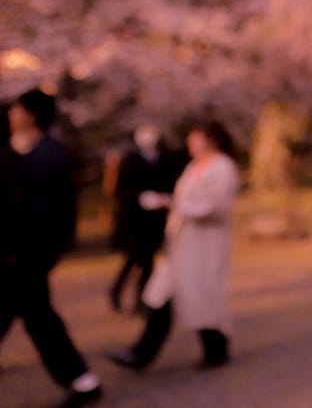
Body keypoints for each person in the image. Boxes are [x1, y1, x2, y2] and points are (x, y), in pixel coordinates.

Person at [0, 89, 105, 406]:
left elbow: (47, 211)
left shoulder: (49, 155)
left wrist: (27, 249)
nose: (11, 114)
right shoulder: (11, 150)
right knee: (36, 316)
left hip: (27, 254)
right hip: (13, 252)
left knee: (36, 317)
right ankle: (82, 380)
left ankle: (83, 380)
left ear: (31, 115)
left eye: (18, 109)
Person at [109, 120, 240, 372]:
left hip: (205, 243)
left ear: (212, 140)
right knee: (161, 295)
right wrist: (168, 203)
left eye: (196, 137)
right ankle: (141, 353)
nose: (190, 143)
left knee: (201, 295)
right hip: (181, 242)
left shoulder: (223, 167)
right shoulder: (194, 166)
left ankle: (216, 349)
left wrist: (170, 205)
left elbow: (215, 206)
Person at [109, 124, 179, 314]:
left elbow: (171, 183)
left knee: (148, 262)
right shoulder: (130, 160)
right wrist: (141, 197)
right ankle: (116, 292)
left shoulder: (165, 159)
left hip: (154, 221)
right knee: (133, 259)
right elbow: (121, 190)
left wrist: (164, 198)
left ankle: (141, 299)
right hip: (133, 221)